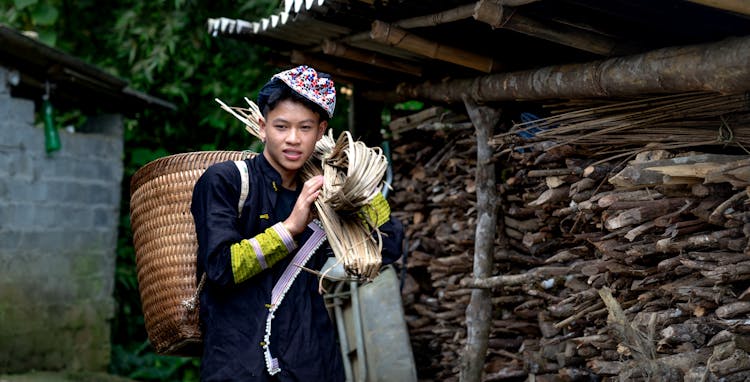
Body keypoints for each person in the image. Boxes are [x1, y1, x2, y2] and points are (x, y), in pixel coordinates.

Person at [190, 65, 404, 381]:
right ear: (262, 127)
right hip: (237, 365)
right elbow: (222, 268)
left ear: (320, 131)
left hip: (312, 363)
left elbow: (388, 247)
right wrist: (291, 227)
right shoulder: (227, 182)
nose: (293, 139)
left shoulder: (329, 196)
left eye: (305, 128)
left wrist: (361, 188)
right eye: (281, 126)